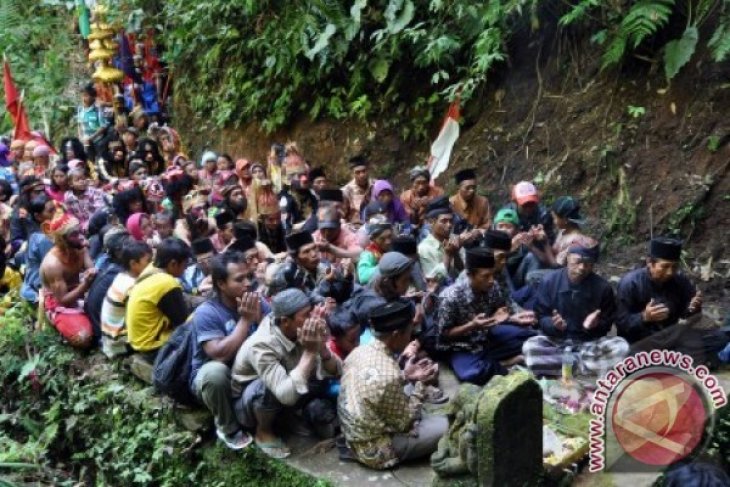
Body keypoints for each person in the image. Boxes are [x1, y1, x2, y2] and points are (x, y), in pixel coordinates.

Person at [232, 288, 341, 459]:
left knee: (317, 378)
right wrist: (311, 352)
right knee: (266, 386)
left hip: (285, 390)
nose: (312, 318)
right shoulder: (262, 343)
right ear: (285, 321)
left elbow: (336, 371)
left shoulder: (298, 329)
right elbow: (285, 395)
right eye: (306, 315)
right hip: (250, 405)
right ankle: (263, 431)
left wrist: (322, 348)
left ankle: (287, 419)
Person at [339, 300, 448, 469]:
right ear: (396, 334)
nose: (411, 337)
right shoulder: (389, 376)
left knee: (408, 390)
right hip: (375, 449)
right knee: (444, 426)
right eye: (409, 332)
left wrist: (407, 375)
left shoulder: (358, 351)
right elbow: (404, 423)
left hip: (355, 430)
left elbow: (378, 381)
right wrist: (421, 384)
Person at [189, 252, 262, 450]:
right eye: (239, 279)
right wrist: (246, 320)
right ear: (221, 284)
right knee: (215, 373)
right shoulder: (207, 312)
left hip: (247, 370)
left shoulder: (255, 300)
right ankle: (228, 428)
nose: (247, 283)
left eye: (248, 276)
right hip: (215, 379)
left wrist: (261, 321)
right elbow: (219, 354)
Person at [522, 244, 629, 377]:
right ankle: (582, 369)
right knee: (530, 347)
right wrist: (554, 325)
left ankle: (568, 367)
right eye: (577, 262)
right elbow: (541, 317)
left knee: (621, 346)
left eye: (588, 264)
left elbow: (607, 323)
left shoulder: (603, 288)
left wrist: (595, 325)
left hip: (587, 344)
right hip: (557, 342)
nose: (582, 268)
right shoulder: (549, 281)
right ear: (568, 258)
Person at [616, 237, 727, 363]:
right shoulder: (630, 284)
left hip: (671, 338)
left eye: (674, 267)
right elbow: (621, 324)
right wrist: (644, 317)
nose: (670, 272)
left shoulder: (680, 281)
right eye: (665, 266)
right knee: (629, 354)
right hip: (642, 342)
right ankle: (678, 361)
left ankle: (673, 361)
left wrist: (693, 308)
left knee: (720, 338)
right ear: (649, 263)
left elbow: (688, 316)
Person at [438, 248, 535, 385]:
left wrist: (513, 318)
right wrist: (472, 325)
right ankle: (505, 363)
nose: (491, 280)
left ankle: (490, 363)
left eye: (492, 275)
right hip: (461, 347)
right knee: (471, 373)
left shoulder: (493, 286)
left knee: (529, 335)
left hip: (486, 337)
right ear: (470, 275)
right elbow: (444, 335)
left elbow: (498, 314)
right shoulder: (450, 298)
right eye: (485, 276)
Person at [126, 237, 191, 359]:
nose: (186, 268)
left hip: (138, 341)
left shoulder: (151, 268)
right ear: (173, 264)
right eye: (185, 264)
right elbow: (183, 324)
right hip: (152, 348)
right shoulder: (166, 283)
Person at [39, 213, 97, 348]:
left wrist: (89, 274)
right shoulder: (52, 264)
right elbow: (63, 300)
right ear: (62, 240)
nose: (81, 236)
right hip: (60, 303)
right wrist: (86, 283)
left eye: (80, 231)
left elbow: (91, 270)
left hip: (79, 292)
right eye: (74, 234)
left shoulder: (79, 247)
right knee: (83, 338)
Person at [100, 241, 152, 358]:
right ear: (133, 264)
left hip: (110, 338)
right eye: (148, 261)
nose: (152, 264)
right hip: (119, 343)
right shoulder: (132, 287)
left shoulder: (122, 276)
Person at [84, 230, 129, 344]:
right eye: (130, 246)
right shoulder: (119, 275)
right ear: (119, 253)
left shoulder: (109, 267)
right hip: (107, 337)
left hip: (101, 328)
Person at [19, 195, 56, 303]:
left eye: (56, 209)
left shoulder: (38, 233)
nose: (56, 213)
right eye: (51, 211)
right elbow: (52, 271)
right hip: (39, 286)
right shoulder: (44, 239)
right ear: (39, 217)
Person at [418, 197, 460, 278]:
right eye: (444, 221)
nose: (449, 225)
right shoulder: (424, 249)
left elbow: (462, 271)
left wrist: (456, 252)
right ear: (431, 222)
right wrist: (448, 254)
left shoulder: (453, 239)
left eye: (451, 221)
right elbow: (434, 281)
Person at [64, 167, 107, 232]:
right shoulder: (68, 197)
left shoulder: (93, 191)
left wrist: (88, 223)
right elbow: (70, 214)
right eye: (77, 180)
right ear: (71, 184)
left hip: (97, 221)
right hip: (81, 227)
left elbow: (99, 209)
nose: (82, 181)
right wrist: (79, 225)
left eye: (83, 179)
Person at [400, 166, 443, 230]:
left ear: (428, 183)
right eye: (418, 183)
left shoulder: (438, 192)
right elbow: (410, 222)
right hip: (414, 227)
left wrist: (431, 204)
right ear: (412, 183)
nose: (421, 187)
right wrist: (414, 210)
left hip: (433, 225)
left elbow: (444, 211)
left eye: (424, 183)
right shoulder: (405, 197)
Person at [449, 168, 491, 234]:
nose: (472, 191)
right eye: (467, 188)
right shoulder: (451, 203)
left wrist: (477, 231)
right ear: (458, 187)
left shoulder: (483, 202)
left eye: (474, 187)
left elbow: (487, 225)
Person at [341, 155, 373, 227]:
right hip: (356, 230)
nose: (362, 175)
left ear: (368, 170)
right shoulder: (346, 191)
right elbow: (342, 218)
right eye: (357, 172)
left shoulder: (376, 186)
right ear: (352, 174)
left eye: (364, 171)